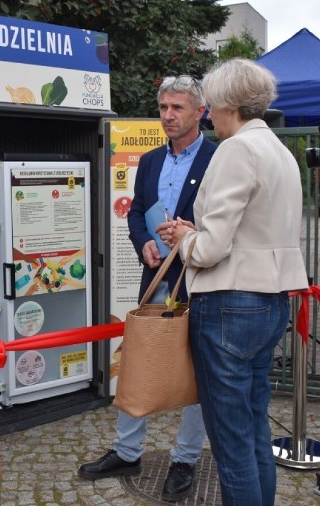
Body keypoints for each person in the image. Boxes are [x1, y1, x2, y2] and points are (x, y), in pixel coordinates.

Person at [166, 58, 308, 506]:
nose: (206, 111)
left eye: (209, 103)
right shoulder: (279, 150)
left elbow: (210, 250)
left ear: (226, 103)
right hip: (270, 302)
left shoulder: (236, 150)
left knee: (231, 446)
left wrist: (187, 237)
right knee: (252, 431)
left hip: (228, 304)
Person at [78, 75, 217, 502]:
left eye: (177, 108)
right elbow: (136, 212)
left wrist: (192, 233)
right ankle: (127, 451)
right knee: (137, 361)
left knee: (197, 371)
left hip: (200, 280)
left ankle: (185, 460)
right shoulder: (152, 159)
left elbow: (226, 222)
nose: (168, 116)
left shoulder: (218, 158)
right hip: (156, 277)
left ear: (201, 112)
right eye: (163, 108)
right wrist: (143, 245)